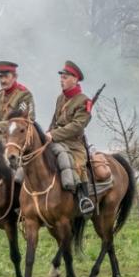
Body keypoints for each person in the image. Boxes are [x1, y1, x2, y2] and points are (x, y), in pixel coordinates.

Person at [46, 60, 94, 214]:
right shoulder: (61, 98)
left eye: (65, 77)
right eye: (61, 77)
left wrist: (53, 135)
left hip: (74, 144)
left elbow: (77, 126)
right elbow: (54, 120)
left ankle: (83, 199)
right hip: (55, 139)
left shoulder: (84, 101)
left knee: (78, 166)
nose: (62, 80)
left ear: (75, 79)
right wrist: (46, 135)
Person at [0, 61, 35, 140]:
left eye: (6, 76)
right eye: (0, 77)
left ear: (15, 77)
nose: (3, 80)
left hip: (17, 138)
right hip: (2, 136)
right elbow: (2, 119)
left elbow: (27, 120)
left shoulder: (24, 94)